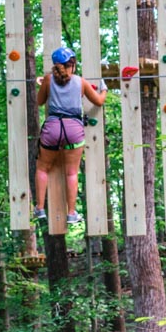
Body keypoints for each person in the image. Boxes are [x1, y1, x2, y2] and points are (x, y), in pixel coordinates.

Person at [34, 46, 108, 224]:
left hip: (52, 129)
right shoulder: (81, 82)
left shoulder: (48, 79)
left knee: (42, 168)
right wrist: (104, 88)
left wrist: (43, 84)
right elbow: (98, 101)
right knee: (71, 173)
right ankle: (72, 213)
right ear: (72, 64)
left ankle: (40, 208)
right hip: (73, 130)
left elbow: (39, 101)